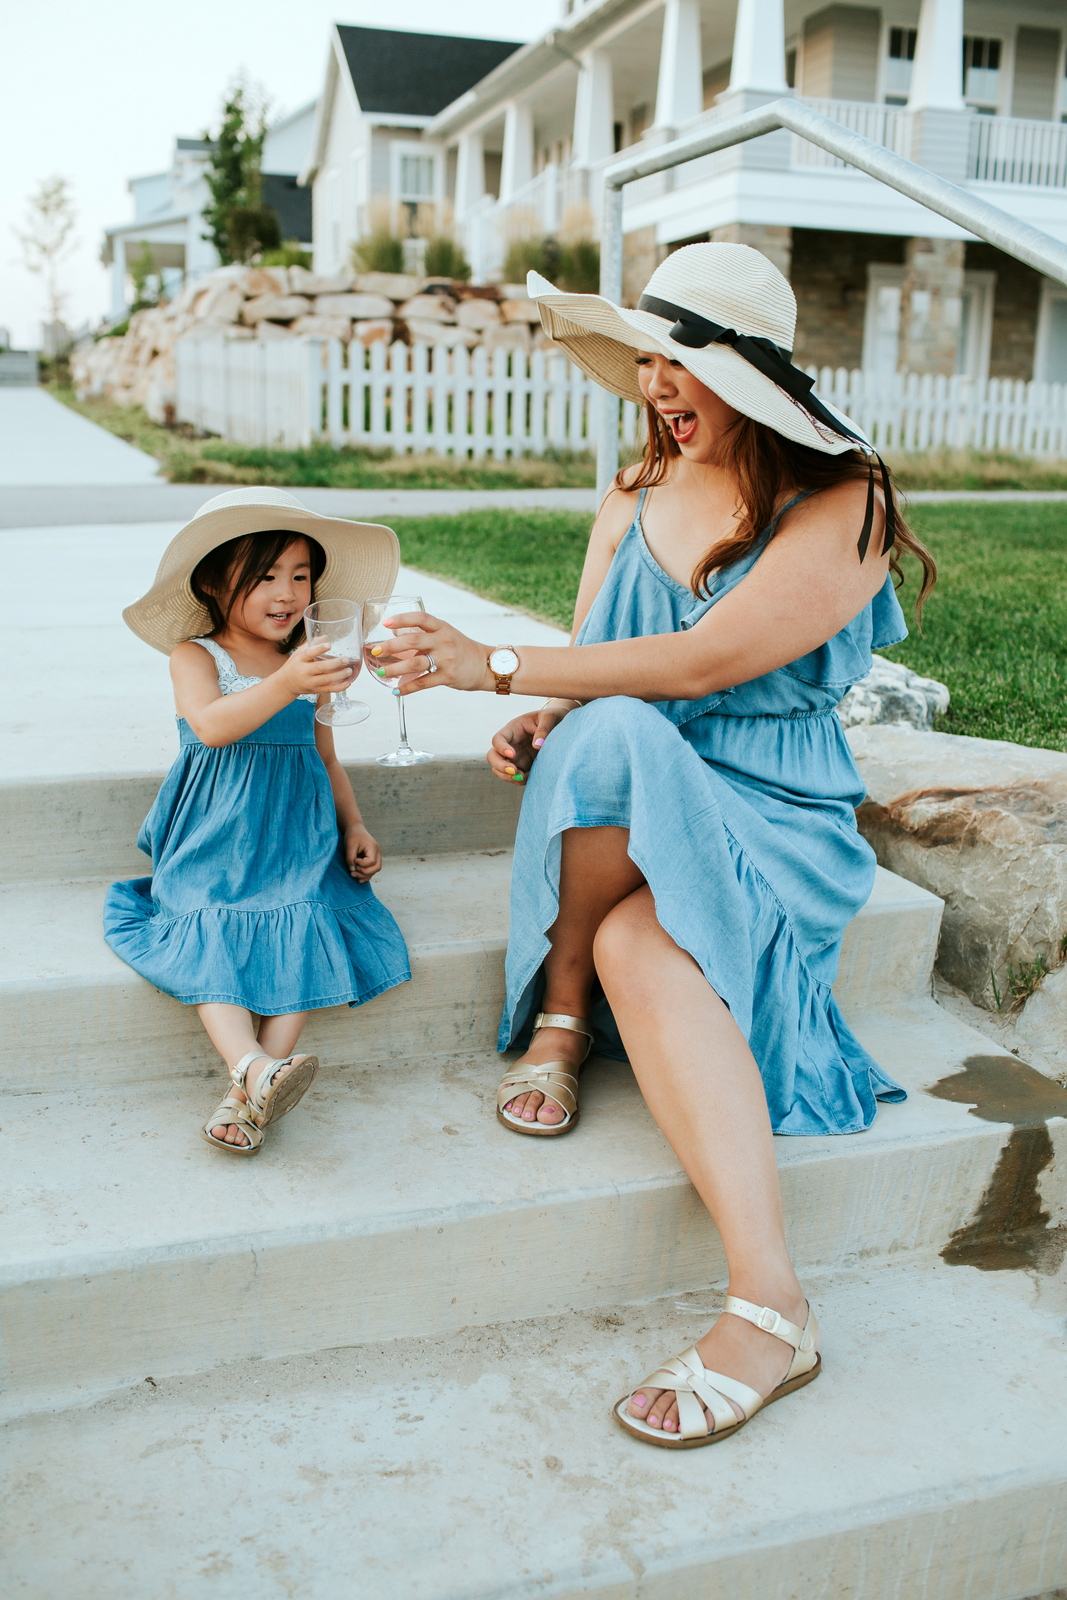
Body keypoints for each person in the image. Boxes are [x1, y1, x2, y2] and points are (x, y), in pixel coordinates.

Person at [367, 244, 937, 1449]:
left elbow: (697, 665)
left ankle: (568, 1023)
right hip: (636, 793)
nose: (655, 383)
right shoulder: (628, 495)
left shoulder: (844, 508)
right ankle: (762, 1288)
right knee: (617, 783)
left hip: (770, 820)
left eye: (683, 363)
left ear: (753, 383)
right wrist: (544, 710)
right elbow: (599, 655)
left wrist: (491, 666)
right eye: (647, 359)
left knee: (628, 809)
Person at [104, 487, 411, 1156]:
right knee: (209, 925)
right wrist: (287, 682)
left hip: (295, 835)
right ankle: (253, 1066)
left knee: (303, 922)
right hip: (215, 834)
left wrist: (354, 826)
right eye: (266, 575)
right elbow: (212, 727)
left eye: (301, 576)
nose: (288, 591)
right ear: (216, 583)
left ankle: (250, 1092)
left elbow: (324, 753)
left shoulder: (313, 663)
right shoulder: (196, 655)